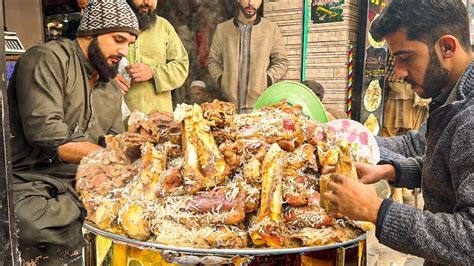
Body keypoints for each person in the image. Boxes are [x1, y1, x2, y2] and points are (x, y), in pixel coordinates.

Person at [323, 0, 473, 264]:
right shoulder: (450, 98)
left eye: (406, 57)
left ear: (447, 47)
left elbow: (469, 239)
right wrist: (393, 170)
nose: (400, 72)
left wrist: (376, 210)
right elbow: (446, 163)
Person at [8, 0, 138, 255]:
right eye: (118, 39)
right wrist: (115, 157)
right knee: (31, 223)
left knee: (132, 212)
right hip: (29, 180)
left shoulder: (111, 87)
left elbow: (113, 141)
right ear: (90, 32)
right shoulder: (46, 59)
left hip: (81, 181)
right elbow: (50, 138)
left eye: (129, 44)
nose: (124, 51)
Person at [208, 0, 289, 113]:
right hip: (229, 107)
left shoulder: (271, 29)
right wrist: (222, 80)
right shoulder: (222, 29)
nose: (251, 3)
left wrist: (267, 80)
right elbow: (213, 61)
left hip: (259, 107)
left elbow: (282, 61)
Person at [117, 0, 189, 114]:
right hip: (119, 120)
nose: (148, 3)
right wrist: (109, 81)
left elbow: (182, 67)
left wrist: (153, 72)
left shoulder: (164, 27)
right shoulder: (112, 27)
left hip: (160, 121)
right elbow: (91, 67)